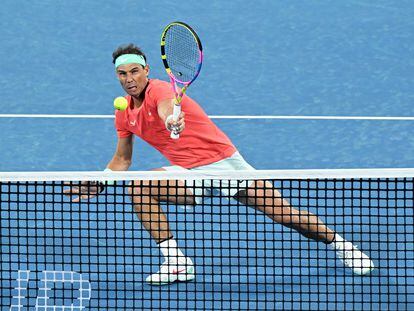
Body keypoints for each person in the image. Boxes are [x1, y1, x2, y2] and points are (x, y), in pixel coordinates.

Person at [64, 43, 374, 286]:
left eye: (135, 71)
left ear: (147, 70)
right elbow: (122, 159)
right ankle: (176, 262)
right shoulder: (123, 113)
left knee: (286, 215)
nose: (129, 79)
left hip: (223, 165)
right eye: (123, 74)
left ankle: (343, 246)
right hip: (189, 173)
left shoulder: (160, 90)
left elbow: (167, 107)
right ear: (117, 76)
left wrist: (173, 117)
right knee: (140, 187)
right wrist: (101, 180)